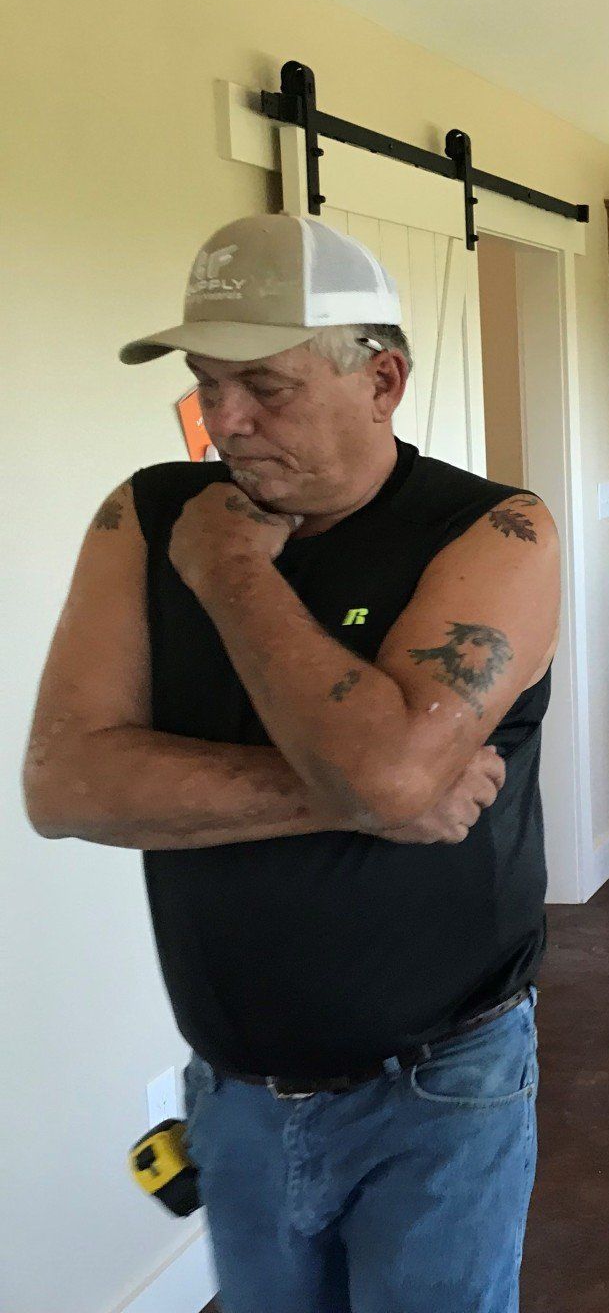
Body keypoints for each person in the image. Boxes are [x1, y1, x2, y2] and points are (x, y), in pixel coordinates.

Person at [23, 213, 561, 1312]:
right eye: (205, 384)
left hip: (440, 1084)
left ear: (383, 380)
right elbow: (65, 785)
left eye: (264, 385)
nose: (225, 422)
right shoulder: (146, 512)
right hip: (234, 1088)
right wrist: (363, 796)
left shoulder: (494, 530)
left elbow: (392, 779)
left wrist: (231, 576)